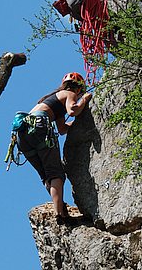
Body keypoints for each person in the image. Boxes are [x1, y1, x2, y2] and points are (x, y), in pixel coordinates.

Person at [15, 71, 92, 223]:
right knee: (56, 174)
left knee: (46, 175)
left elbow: (62, 129)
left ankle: (60, 207)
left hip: (21, 136)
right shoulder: (69, 93)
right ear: (77, 89)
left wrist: (78, 125)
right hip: (39, 126)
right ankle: (61, 215)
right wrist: (85, 99)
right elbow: (73, 110)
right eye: (80, 92)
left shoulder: (55, 100)